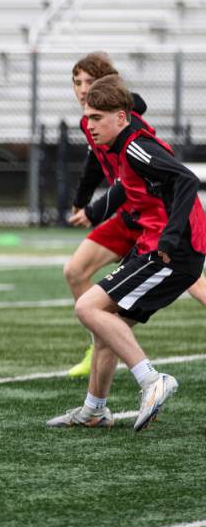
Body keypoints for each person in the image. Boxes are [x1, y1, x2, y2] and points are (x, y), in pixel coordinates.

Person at [47, 74, 206, 431]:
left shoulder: (136, 147)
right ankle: (94, 410)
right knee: (108, 327)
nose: (91, 126)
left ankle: (152, 380)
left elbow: (186, 180)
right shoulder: (122, 148)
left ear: (121, 117)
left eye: (98, 118)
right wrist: (94, 209)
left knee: (87, 306)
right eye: (88, 118)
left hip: (171, 251)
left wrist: (170, 237)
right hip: (159, 245)